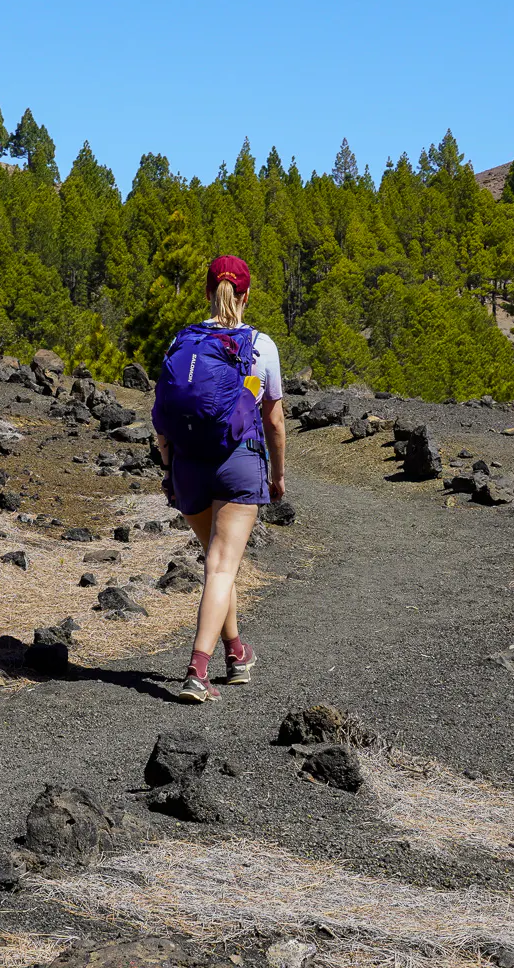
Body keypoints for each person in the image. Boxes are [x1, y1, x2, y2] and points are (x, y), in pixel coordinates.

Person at [150, 255, 285, 702]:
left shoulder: (182, 341)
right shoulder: (260, 345)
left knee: (215, 561)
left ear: (207, 292)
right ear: (247, 295)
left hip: (188, 465)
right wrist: (278, 477)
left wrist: (169, 469)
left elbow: (163, 417)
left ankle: (236, 651)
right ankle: (197, 669)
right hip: (238, 462)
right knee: (222, 566)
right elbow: (275, 423)